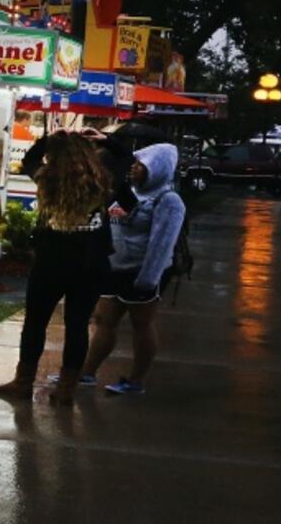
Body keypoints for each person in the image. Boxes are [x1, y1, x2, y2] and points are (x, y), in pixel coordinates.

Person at [0, 132, 114, 406]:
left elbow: (29, 159)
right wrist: (106, 140)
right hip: (90, 265)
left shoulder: (46, 178)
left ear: (54, 155)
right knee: (77, 326)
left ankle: (23, 382)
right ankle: (66, 390)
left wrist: (49, 139)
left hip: (50, 263)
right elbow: (125, 157)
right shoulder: (103, 180)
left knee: (36, 322)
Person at [80, 144, 186, 395]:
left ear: (157, 169)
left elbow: (162, 243)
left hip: (141, 273)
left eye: (142, 166)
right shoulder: (128, 192)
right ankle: (86, 373)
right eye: (135, 164)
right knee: (104, 320)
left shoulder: (168, 200)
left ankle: (136, 381)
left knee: (141, 324)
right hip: (114, 268)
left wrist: (148, 279)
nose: (134, 169)